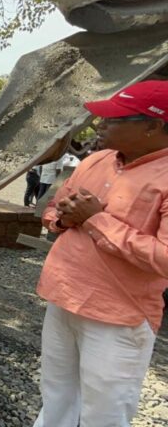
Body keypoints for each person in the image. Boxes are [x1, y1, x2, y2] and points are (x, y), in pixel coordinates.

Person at [32, 80, 168, 426]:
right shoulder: (97, 160)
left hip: (117, 316)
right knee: (56, 396)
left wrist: (96, 221)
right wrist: (63, 218)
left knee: (104, 414)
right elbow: (52, 210)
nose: (100, 124)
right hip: (63, 297)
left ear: (154, 126)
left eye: (115, 118)